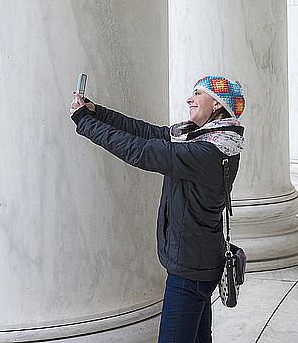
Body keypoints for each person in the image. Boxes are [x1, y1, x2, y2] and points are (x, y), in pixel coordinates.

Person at [70, 74, 245, 343]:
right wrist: (98, 113)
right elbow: (149, 132)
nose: (190, 98)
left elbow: (141, 150)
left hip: (190, 268)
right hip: (198, 259)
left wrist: (84, 123)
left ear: (218, 105)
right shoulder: (200, 139)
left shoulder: (206, 152)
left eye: (199, 94)